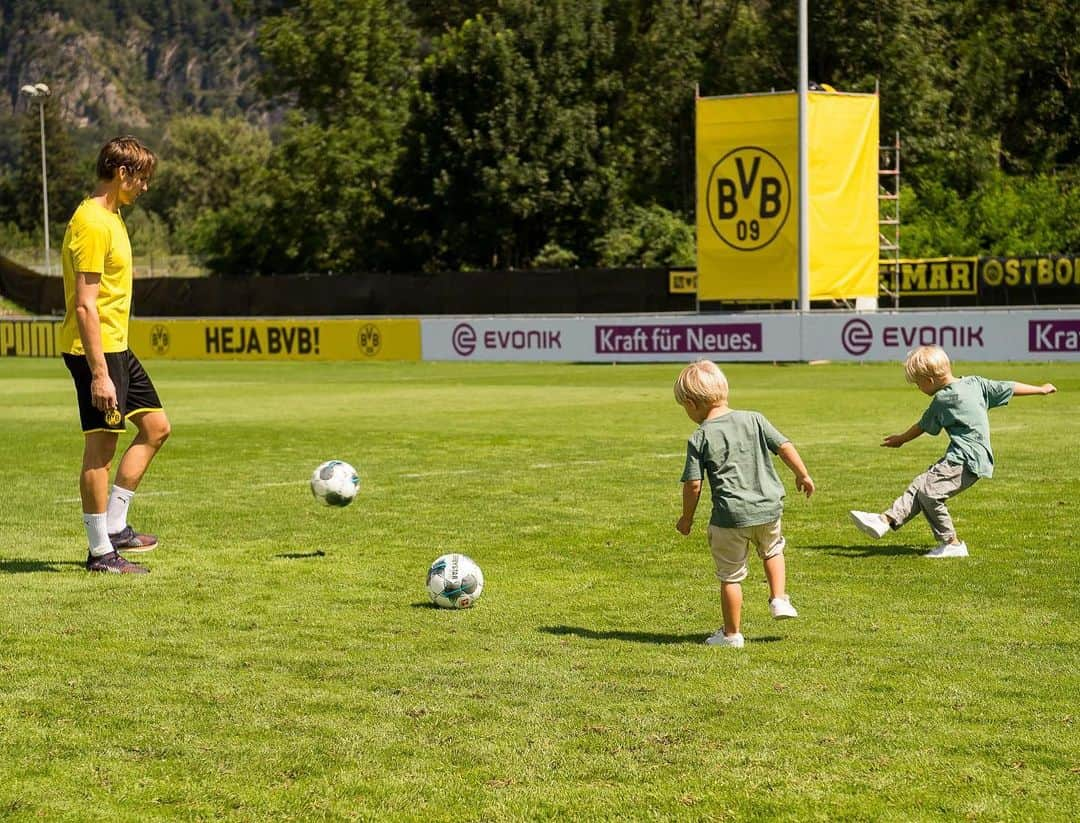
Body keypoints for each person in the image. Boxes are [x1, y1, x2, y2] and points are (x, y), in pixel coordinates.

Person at [60, 136, 171, 574]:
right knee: (101, 451)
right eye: (141, 177)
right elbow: (85, 303)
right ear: (122, 172)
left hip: (118, 347)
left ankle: (117, 525)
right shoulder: (91, 222)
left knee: (157, 428)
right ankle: (100, 552)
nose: (144, 186)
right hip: (96, 353)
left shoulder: (113, 216)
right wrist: (100, 374)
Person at [849, 345, 1056, 558]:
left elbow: (922, 426)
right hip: (970, 457)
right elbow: (1009, 387)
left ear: (929, 381)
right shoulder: (976, 383)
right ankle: (885, 521)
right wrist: (1040, 389)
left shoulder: (942, 400)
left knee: (929, 494)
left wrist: (901, 439)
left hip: (965, 460)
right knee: (921, 485)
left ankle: (952, 544)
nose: (918, 388)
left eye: (917, 384)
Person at [674, 360, 815, 648]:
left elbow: (693, 484)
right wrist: (802, 474)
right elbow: (785, 446)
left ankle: (732, 634)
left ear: (691, 404)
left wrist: (686, 518)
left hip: (730, 518)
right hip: (768, 509)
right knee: (773, 550)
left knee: (730, 577)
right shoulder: (755, 418)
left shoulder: (700, 436)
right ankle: (778, 599)